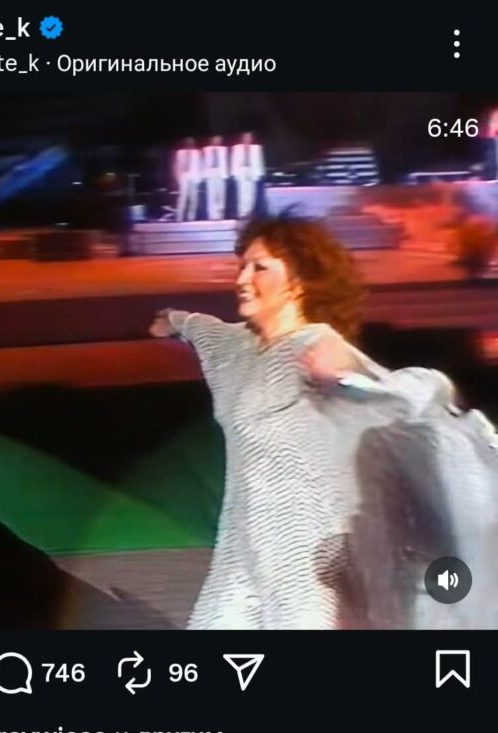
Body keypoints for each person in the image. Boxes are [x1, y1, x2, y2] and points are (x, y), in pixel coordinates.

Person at [149, 216, 498, 629]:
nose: (242, 278)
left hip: (304, 560)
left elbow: (408, 393)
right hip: (240, 551)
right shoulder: (234, 346)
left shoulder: (317, 346)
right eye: (241, 265)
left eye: (260, 268)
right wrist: (172, 321)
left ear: (299, 281)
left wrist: (343, 376)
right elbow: (195, 326)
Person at [230, 132, 267, 219]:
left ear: (251, 138)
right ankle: (242, 213)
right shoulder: (237, 148)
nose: (247, 139)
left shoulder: (256, 148)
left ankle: (250, 212)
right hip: (241, 172)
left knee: (251, 194)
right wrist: (234, 174)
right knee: (242, 193)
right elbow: (234, 161)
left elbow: (259, 161)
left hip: (252, 172)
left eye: (249, 137)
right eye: (245, 137)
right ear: (242, 138)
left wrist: (260, 173)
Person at [173, 138, 202, 221]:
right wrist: (178, 178)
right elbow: (177, 166)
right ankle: (179, 218)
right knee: (182, 198)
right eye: (188, 141)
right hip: (184, 177)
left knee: (193, 199)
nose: (190, 143)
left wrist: (199, 178)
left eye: (191, 141)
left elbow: (200, 165)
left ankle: (191, 218)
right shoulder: (180, 153)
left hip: (194, 177)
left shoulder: (196, 153)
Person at [202, 135, 229, 220]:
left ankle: (220, 215)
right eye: (215, 139)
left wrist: (226, 175)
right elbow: (203, 163)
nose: (217, 141)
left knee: (220, 195)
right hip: (211, 173)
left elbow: (226, 162)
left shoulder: (223, 150)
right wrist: (203, 176)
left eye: (218, 139)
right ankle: (212, 216)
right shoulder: (206, 150)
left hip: (220, 173)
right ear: (211, 140)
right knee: (211, 195)